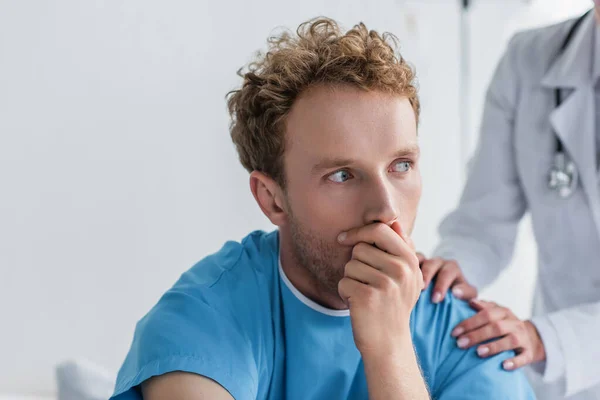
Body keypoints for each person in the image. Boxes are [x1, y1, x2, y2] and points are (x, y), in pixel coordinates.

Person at [109, 18, 535, 400]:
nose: (386, 210)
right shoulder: (203, 320)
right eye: (343, 175)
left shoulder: (475, 340)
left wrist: (391, 349)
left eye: (401, 166)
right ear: (272, 199)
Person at [420, 4, 600, 400]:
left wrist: (545, 338)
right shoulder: (529, 61)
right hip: (557, 382)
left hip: (554, 346)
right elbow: (482, 223)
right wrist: (451, 274)